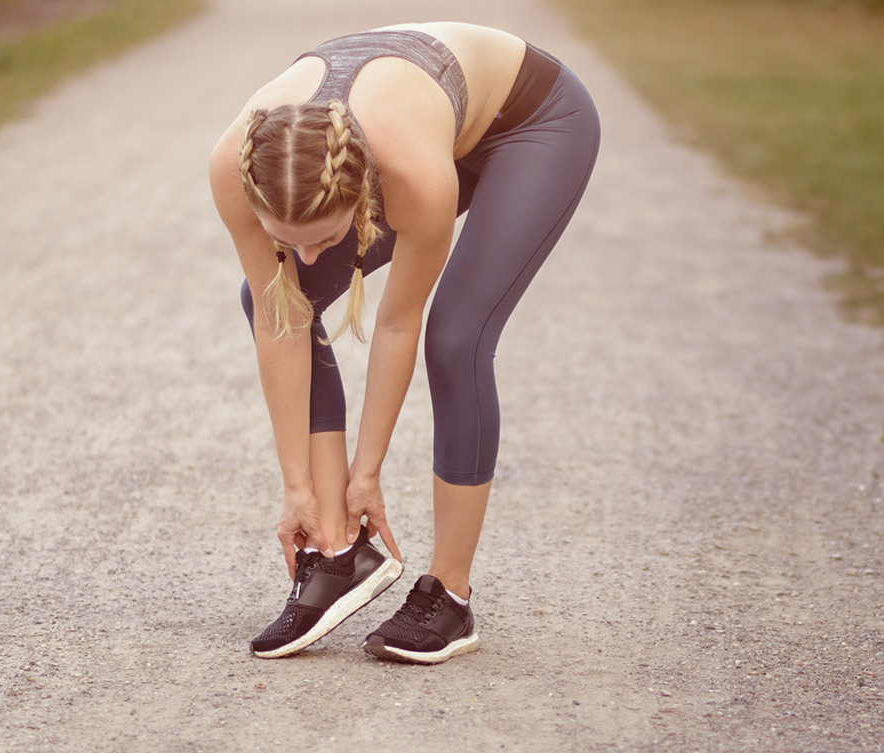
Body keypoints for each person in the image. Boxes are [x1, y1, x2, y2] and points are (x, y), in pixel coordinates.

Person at [208, 21, 600, 664]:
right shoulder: (235, 168)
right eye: (289, 238)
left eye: (324, 238)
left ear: (361, 197)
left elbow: (396, 321)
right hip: (424, 121)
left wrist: (369, 472)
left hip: (532, 124)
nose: (305, 254)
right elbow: (282, 317)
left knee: (457, 336)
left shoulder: (411, 174)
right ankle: (337, 551)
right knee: (273, 296)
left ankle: (449, 596)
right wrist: (297, 488)